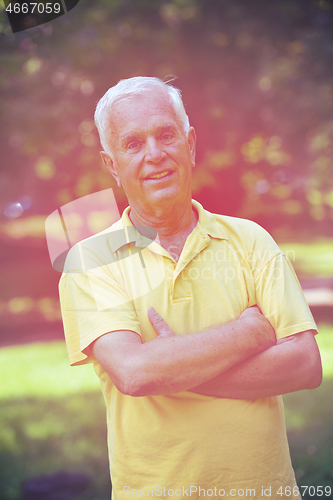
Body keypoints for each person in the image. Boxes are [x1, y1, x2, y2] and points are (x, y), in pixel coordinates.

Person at [59, 76, 322, 500]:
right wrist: (248, 334)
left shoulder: (251, 240)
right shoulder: (89, 260)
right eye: (133, 144)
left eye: (166, 135)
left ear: (191, 145)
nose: (155, 155)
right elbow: (135, 372)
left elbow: (305, 365)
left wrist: (175, 363)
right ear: (112, 164)